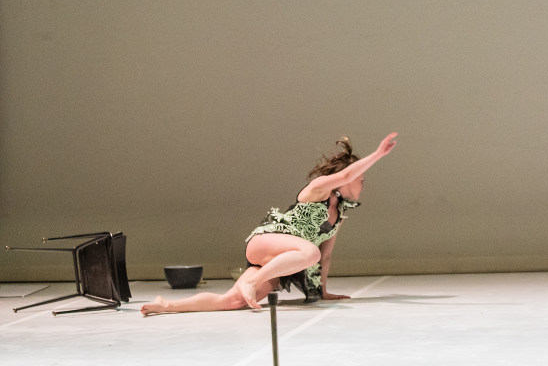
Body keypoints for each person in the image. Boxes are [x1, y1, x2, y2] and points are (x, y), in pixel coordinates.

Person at [141, 132, 398, 315]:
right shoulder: (318, 189)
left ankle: (166, 306)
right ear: (346, 179)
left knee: (234, 301)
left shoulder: (339, 213)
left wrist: (322, 291)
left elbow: (326, 255)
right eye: (361, 179)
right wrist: (378, 154)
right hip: (267, 243)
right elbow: (346, 173)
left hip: (282, 260)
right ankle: (252, 283)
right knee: (310, 252)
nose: (363, 184)